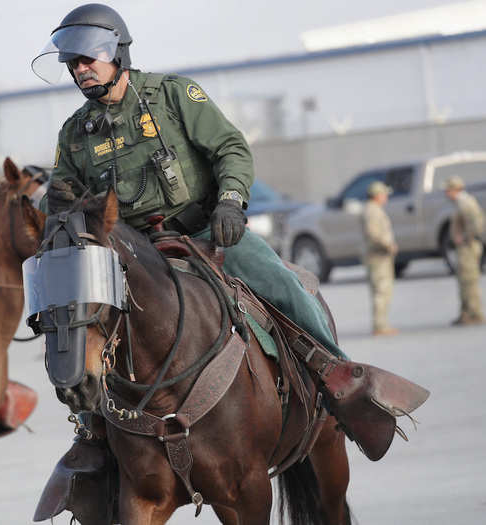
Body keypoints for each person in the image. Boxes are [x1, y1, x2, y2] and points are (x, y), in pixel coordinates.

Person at [30, 5, 427, 522]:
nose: (80, 69)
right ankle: (91, 428)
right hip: (129, 252)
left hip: (204, 232)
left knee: (281, 284)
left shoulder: (173, 95)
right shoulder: (75, 131)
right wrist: (52, 199)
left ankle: (337, 381)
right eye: (73, 63)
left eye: (88, 59)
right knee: (80, 319)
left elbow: (230, 149)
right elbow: (61, 197)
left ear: (117, 54)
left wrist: (231, 203)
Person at [444, 175, 485, 325]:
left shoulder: (466, 203)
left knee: (469, 280)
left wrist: (466, 237)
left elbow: (477, 224)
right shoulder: (460, 202)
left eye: (448, 190)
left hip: (468, 247)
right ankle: (466, 313)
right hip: (463, 248)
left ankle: (475, 313)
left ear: (456, 189)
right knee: (463, 280)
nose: (446, 194)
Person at [362, 181, 398, 336]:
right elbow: (374, 234)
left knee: (382, 290)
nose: (386, 197)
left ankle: (382, 324)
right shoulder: (372, 211)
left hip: (379, 256)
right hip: (378, 256)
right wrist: (388, 245)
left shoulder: (373, 209)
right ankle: (380, 326)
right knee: (381, 290)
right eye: (384, 194)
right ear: (377, 195)